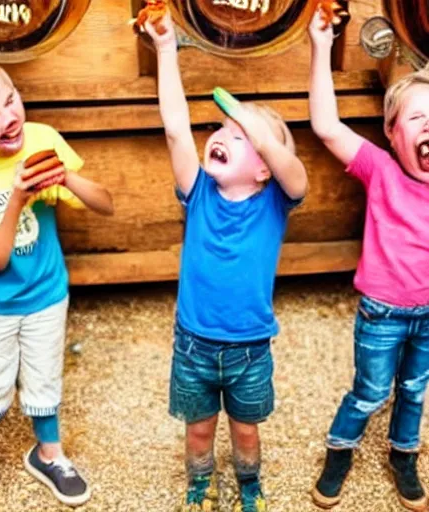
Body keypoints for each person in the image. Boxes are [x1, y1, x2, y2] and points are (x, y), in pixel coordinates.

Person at [0, 53, 114, 511]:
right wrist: (18, 196)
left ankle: (48, 453)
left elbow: (105, 204)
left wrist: (65, 175)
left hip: (46, 295)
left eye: (11, 99)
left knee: (44, 377)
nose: (10, 117)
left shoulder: (43, 138)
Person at [144, 13, 308, 512]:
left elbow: (294, 171)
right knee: (198, 431)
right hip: (193, 343)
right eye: (220, 128)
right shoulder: (198, 193)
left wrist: (257, 128)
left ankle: (250, 484)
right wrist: (166, 48)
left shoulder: (275, 199)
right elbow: (176, 129)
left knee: (246, 430)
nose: (221, 135)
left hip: (249, 349)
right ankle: (200, 484)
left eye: (239, 138)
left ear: (262, 167)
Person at [308, 6, 429, 511]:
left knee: (416, 391)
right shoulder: (381, 170)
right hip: (381, 313)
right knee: (371, 391)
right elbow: (326, 125)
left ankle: (404, 455)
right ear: (392, 133)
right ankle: (340, 451)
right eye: (419, 118)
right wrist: (320, 47)